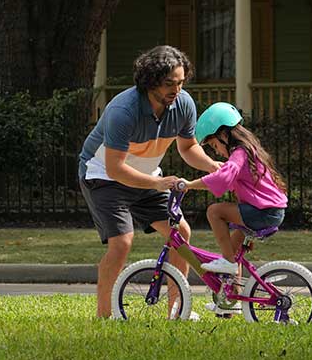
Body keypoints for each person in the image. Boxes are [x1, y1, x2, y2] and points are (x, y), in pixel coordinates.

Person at [78, 45, 221, 318]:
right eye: (169, 84)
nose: (176, 90)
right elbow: (116, 168)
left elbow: (188, 147)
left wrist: (213, 166)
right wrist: (157, 184)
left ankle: (176, 310)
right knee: (121, 243)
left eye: (180, 83)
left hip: (147, 178)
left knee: (180, 232)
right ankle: (104, 315)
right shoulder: (123, 110)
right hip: (104, 176)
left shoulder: (183, 105)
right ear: (150, 81)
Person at [178, 101, 287, 292]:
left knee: (214, 211)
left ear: (223, 135)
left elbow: (223, 178)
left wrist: (189, 185)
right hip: (268, 212)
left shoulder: (240, 153)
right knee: (234, 250)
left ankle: (227, 263)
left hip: (264, 213)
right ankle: (230, 302)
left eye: (213, 145)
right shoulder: (248, 151)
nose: (217, 151)